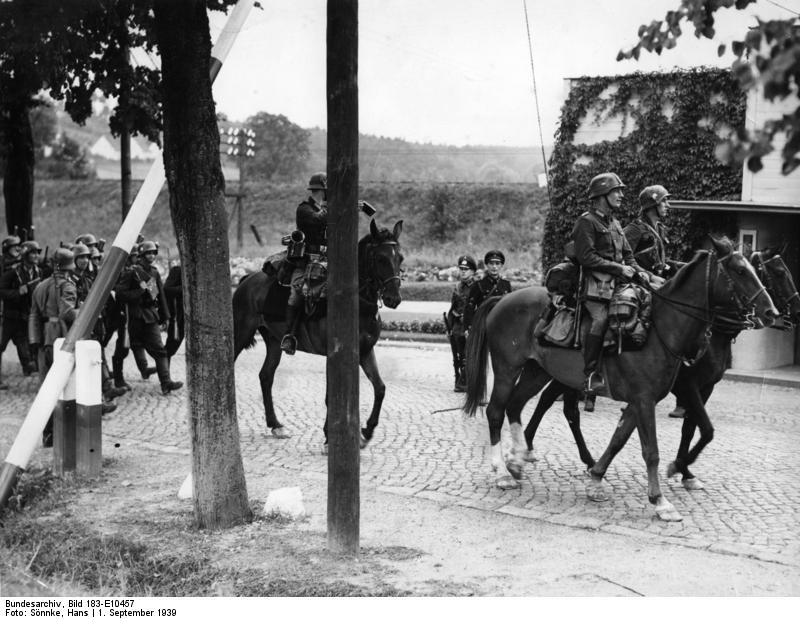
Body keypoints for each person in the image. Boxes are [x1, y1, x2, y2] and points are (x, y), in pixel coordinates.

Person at [571, 172, 649, 411]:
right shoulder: (586, 222)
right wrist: (619, 268)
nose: (622, 195)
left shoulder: (615, 223)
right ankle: (591, 375)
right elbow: (586, 257)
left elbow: (628, 256)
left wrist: (639, 271)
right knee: (601, 320)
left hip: (617, 286)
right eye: (617, 191)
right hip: (594, 289)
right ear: (602, 195)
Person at [115, 240, 183, 395]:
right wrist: (139, 291)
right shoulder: (132, 272)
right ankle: (119, 378)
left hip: (149, 316)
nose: (151, 256)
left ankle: (166, 383)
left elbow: (158, 295)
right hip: (133, 317)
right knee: (127, 347)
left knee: (160, 350)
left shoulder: (153, 272)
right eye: (148, 253)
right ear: (141, 255)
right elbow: (120, 293)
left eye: (153, 253)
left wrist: (165, 316)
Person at [29, 247, 79, 447]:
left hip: (43, 339)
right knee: (67, 385)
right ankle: (67, 433)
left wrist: (34, 341)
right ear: (69, 267)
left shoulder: (40, 286)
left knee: (46, 388)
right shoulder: (67, 286)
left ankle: (48, 434)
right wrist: (82, 311)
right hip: (61, 337)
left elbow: (33, 315)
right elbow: (68, 312)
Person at [281, 172, 329, 355]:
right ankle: (289, 336)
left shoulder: (324, 209)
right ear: (322, 191)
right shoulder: (304, 209)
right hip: (306, 262)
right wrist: (332, 208)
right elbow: (317, 221)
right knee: (298, 292)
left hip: (328, 261)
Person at [0, 240, 42, 385]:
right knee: (1, 345)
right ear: (25, 255)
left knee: (26, 344)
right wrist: (18, 292)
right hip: (9, 318)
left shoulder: (38, 271)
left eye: (37, 252)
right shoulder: (12, 272)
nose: (36, 256)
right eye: (33, 253)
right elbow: (2, 291)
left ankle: (28, 367)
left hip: (25, 317)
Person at [624, 185, 684, 280]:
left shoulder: (659, 228)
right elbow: (624, 261)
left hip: (657, 282)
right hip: (639, 283)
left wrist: (682, 266)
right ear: (652, 205)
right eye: (663, 201)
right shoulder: (634, 229)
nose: (668, 205)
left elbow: (660, 261)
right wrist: (650, 277)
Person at [446, 254, 477, 392]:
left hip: (471, 327)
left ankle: (468, 381)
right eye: (461, 268)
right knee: (458, 355)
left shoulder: (478, 287)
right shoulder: (457, 287)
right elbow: (453, 307)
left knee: (470, 355)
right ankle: (459, 379)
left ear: (473, 271)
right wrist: (450, 327)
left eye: (467, 269)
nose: (463, 271)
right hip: (458, 326)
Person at [463, 249, 512, 332]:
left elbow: (510, 307)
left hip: (502, 326)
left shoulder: (506, 285)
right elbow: (469, 308)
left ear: (501, 266)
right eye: (491, 264)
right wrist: (468, 327)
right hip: (483, 327)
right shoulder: (479, 285)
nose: (494, 267)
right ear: (486, 265)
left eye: (497, 264)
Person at [163, 263, 184, 359]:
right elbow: (166, 289)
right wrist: (185, 288)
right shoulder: (178, 270)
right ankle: (164, 371)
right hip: (177, 315)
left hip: (187, 315)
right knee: (171, 347)